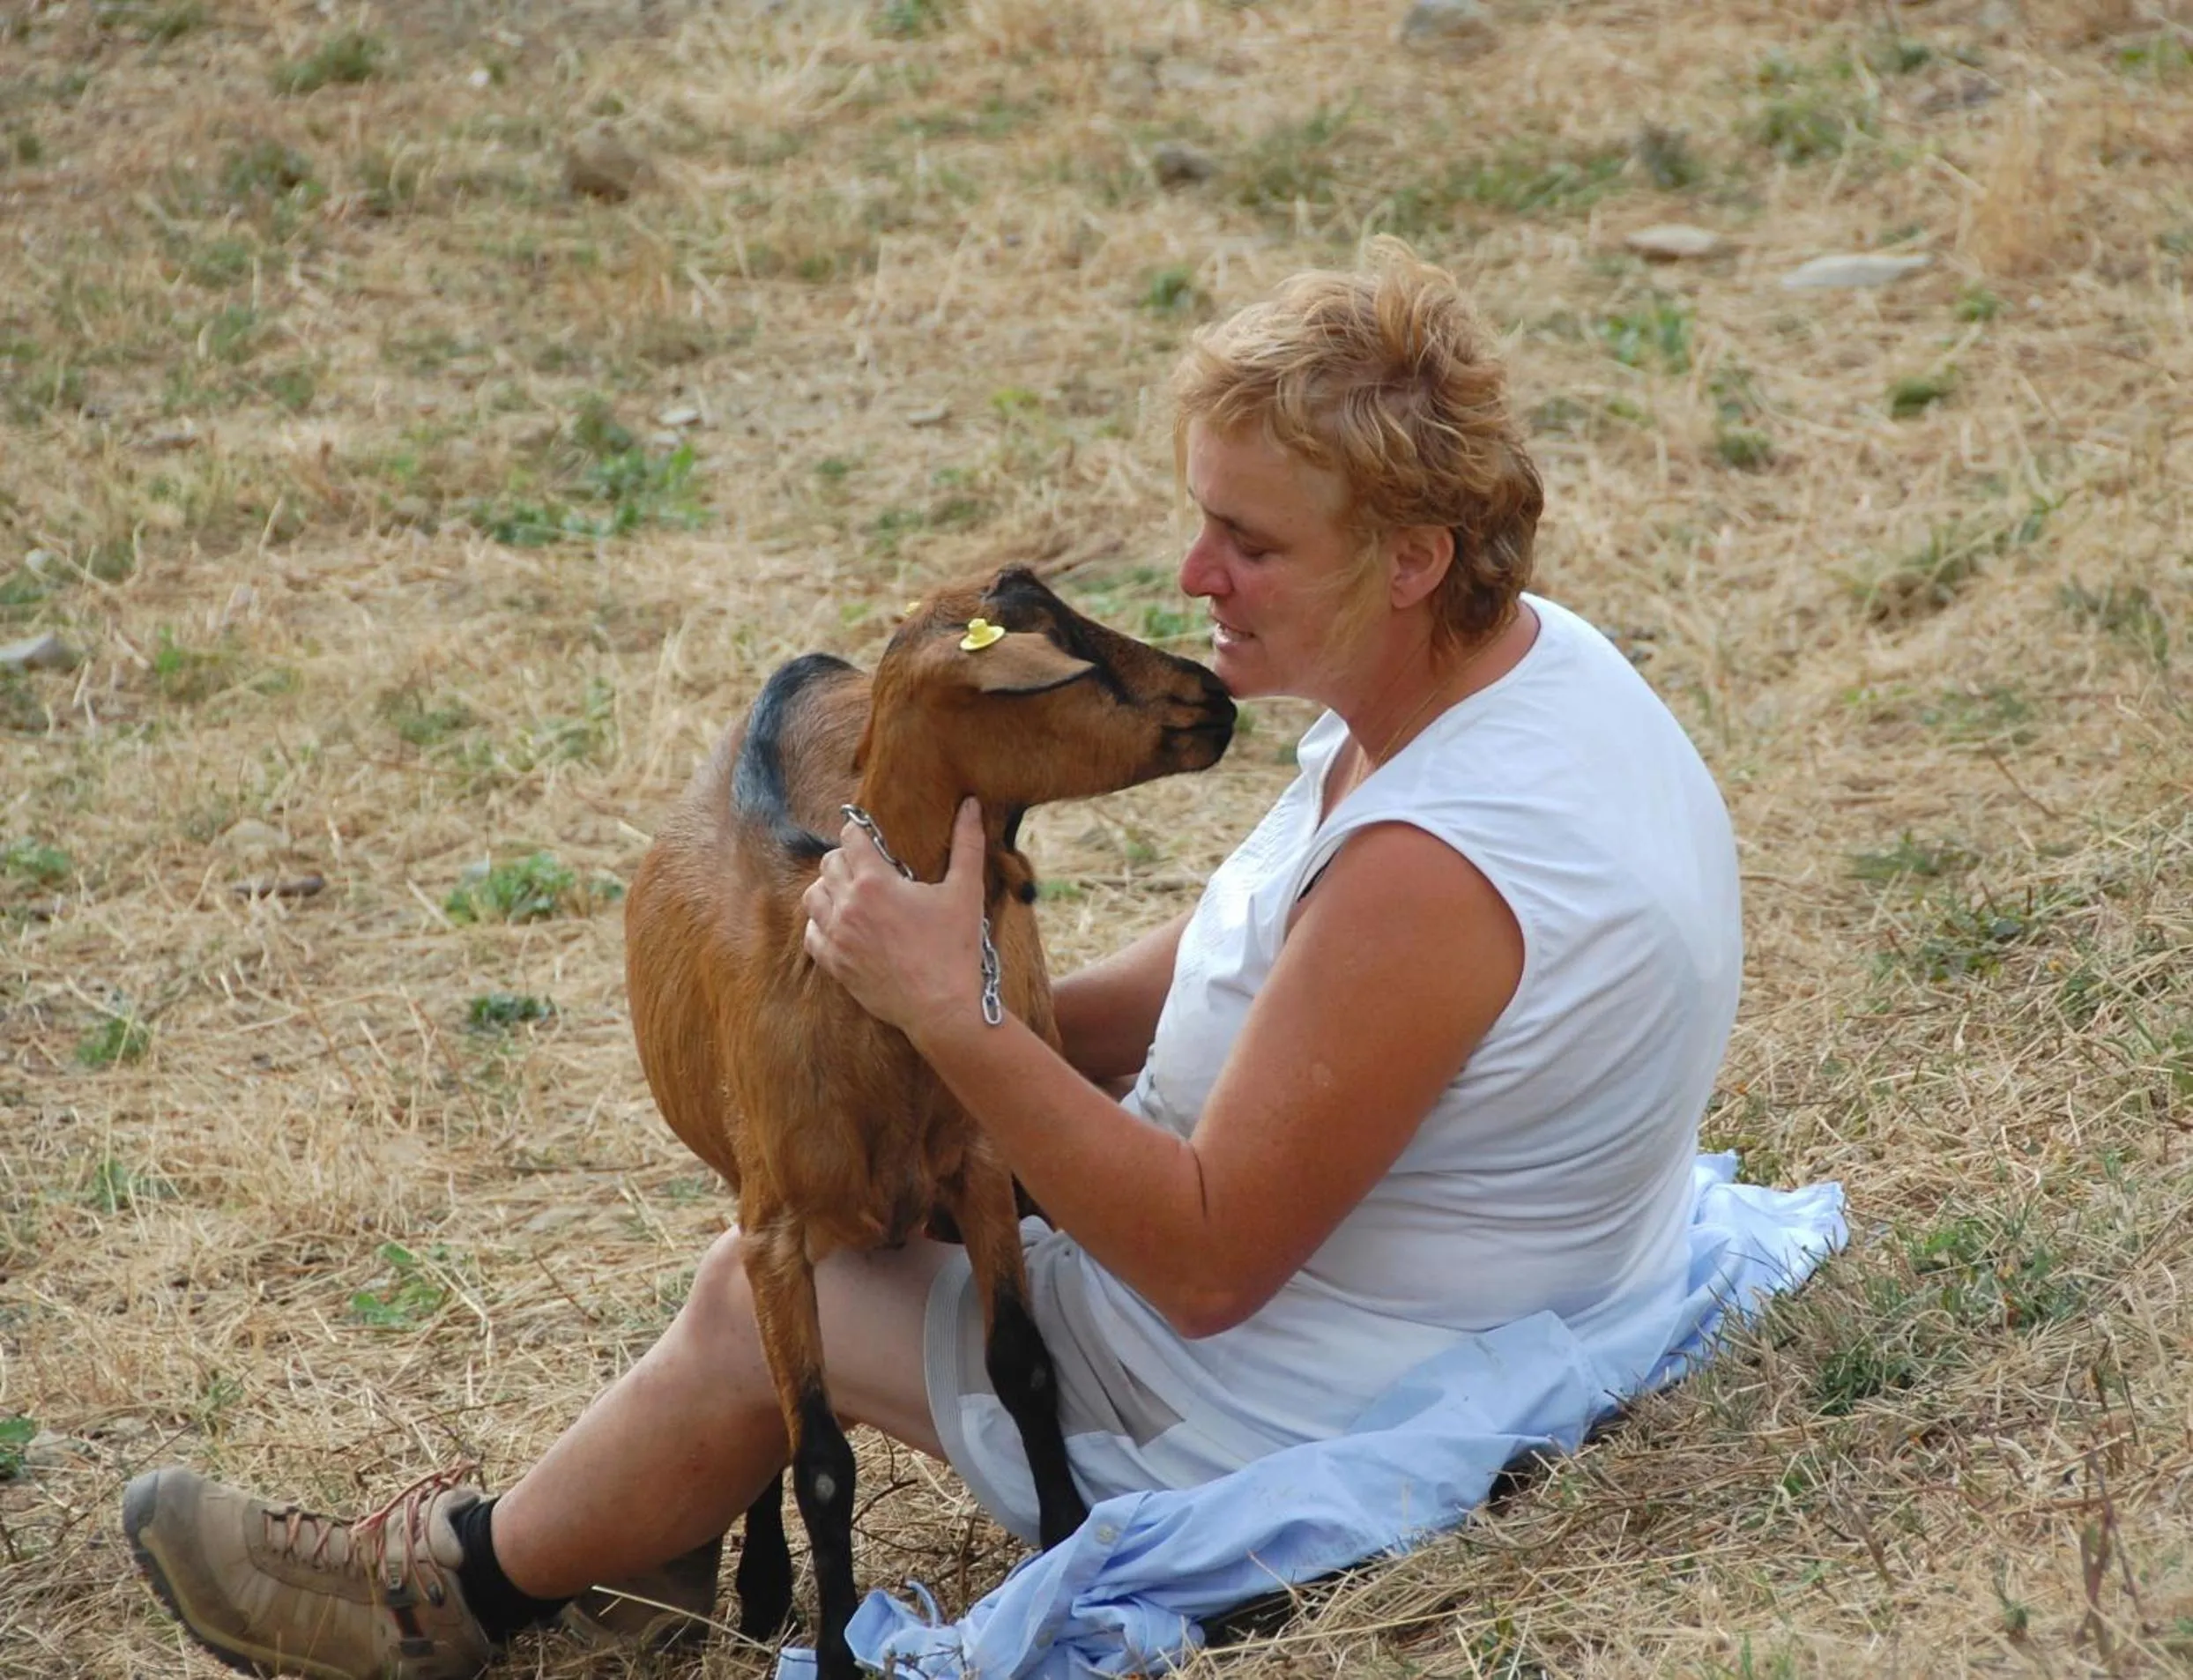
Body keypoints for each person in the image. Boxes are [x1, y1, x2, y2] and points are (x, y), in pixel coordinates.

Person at [122, 240, 1742, 1678]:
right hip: (1454, 1282)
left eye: (1247, 540)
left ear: (1411, 555)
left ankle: (450, 1593)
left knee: (763, 1288)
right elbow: (1257, 958)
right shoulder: (1501, 675)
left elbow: (1208, 1260)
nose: (1193, 576)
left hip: (1281, 1392)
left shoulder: (1428, 876)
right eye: (1201, 518)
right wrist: (940, 1026)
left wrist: (953, 1024)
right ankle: (645, 1531)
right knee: (827, 1133)